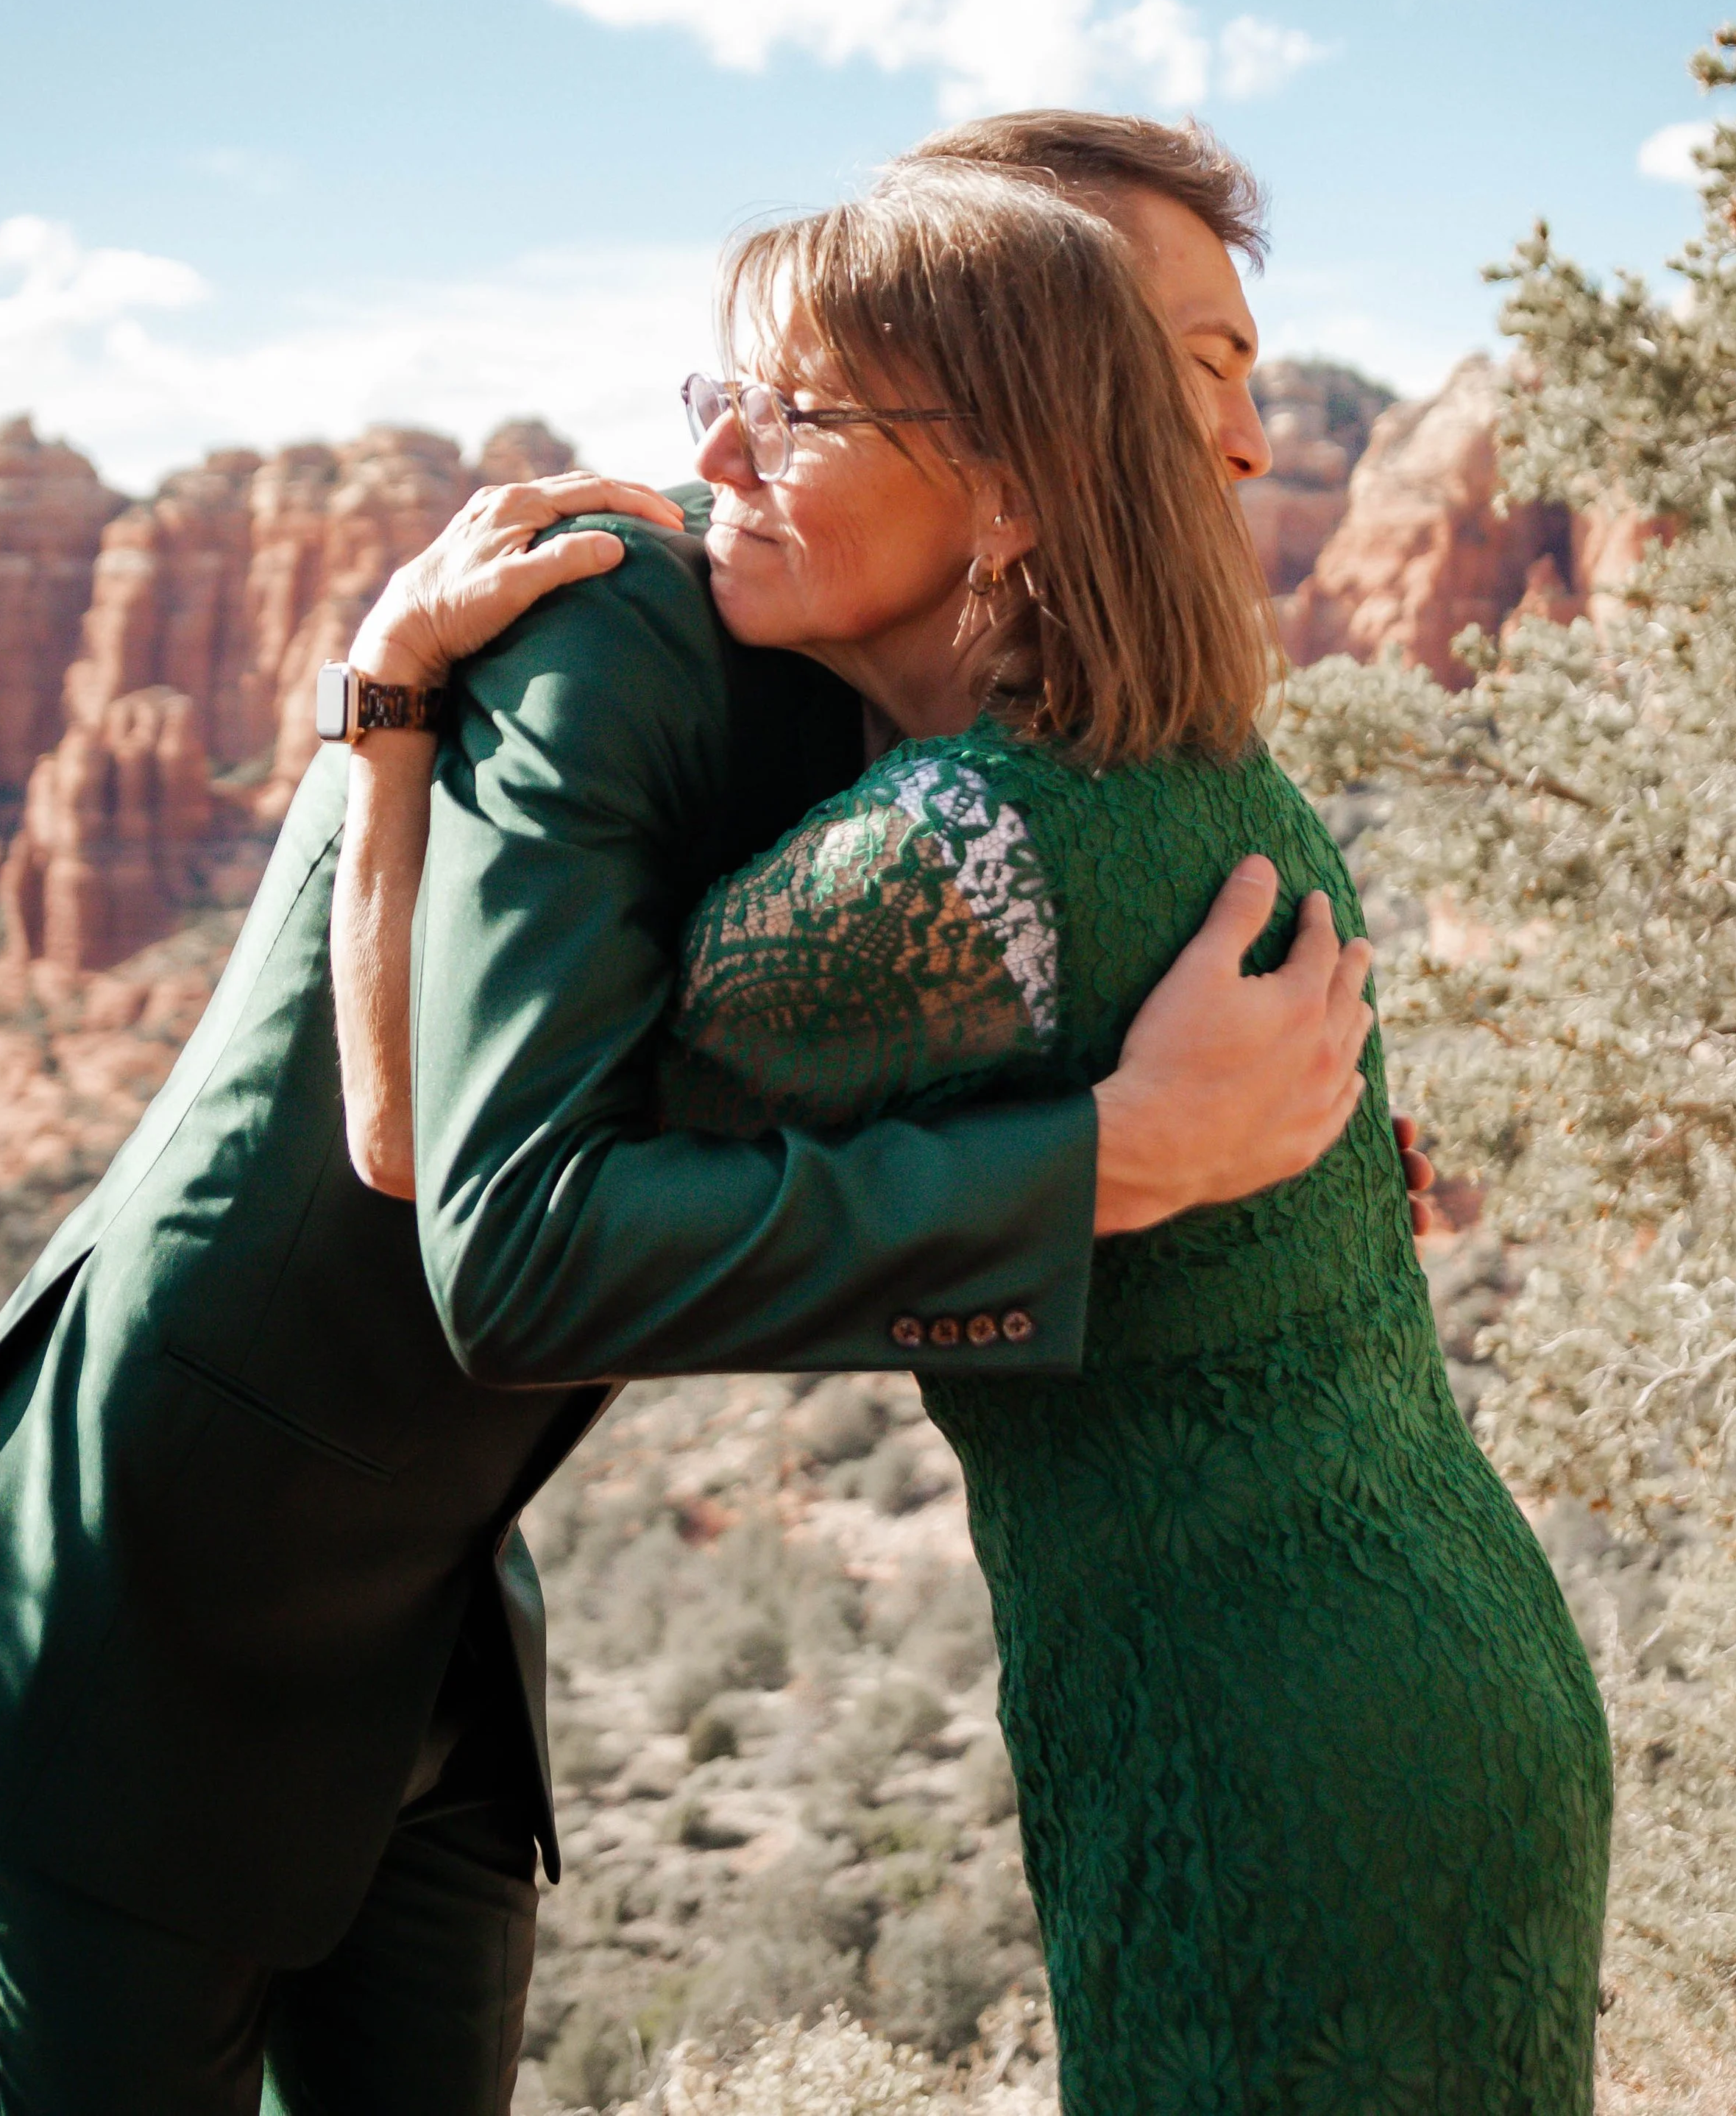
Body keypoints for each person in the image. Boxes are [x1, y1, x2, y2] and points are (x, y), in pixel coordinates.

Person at [0, 103, 1382, 2114]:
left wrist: (1301, 1180)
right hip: (152, 1594)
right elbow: (441, 1176)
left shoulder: (956, 709)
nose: (1224, 433)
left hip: (437, 1602)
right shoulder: (623, 621)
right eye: (1186, 361)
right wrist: (1108, 1163)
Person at [362, 165, 1612, 2111]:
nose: (709, 457)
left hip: (1259, 1742)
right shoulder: (1178, 756)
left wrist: (385, 724)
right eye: (719, 390)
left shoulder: (951, 864)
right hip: (1438, 1654)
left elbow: (453, 1174)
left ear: (1013, 489)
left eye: (796, 411)